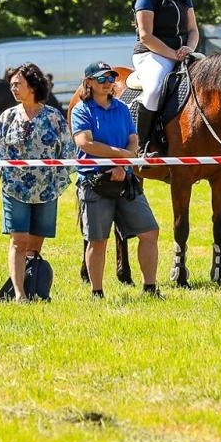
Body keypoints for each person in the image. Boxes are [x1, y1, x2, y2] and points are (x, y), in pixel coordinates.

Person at [70, 61, 161, 298]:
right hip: (94, 181)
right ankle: (97, 292)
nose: (108, 83)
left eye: (110, 78)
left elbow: (133, 140)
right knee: (98, 240)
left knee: (150, 232)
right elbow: (85, 143)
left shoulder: (122, 108)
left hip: (125, 180)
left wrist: (121, 163)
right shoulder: (81, 110)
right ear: (88, 82)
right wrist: (120, 155)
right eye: (101, 79)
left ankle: (150, 288)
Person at [0, 63, 74, 302]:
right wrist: (6, 177)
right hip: (15, 190)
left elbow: (68, 152)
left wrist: (56, 181)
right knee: (19, 241)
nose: (13, 88)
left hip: (46, 190)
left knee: (34, 246)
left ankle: (33, 287)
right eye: (12, 85)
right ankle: (19, 294)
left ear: (33, 85)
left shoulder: (54, 117)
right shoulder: (7, 117)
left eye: (18, 84)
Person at [132, 0, 199, 151]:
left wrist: (188, 49)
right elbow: (146, 36)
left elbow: (193, 30)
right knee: (154, 89)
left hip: (182, 53)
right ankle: (143, 145)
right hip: (151, 54)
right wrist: (173, 55)